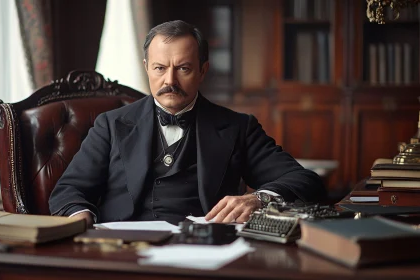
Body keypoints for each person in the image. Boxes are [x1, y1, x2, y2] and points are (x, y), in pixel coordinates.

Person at [49, 20, 325, 227]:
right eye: (159, 68)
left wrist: (259, 199)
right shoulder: (110, 124)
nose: (170, 81)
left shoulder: (238, 127)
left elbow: (305, 180)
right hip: (123, 249)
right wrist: (82, 220)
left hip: (205, 250)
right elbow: (69, 190)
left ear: (203, 70)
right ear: (146, 67)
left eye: (183, 68)